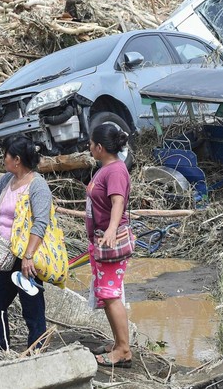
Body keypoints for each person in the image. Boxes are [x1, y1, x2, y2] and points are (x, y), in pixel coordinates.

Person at [0, 135, 51, 351]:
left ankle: (36, 353)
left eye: (5, 156)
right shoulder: (8, 180)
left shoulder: (38, 186)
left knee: (32, 308)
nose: (3, 160)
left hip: (27, 256)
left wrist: (28, 256)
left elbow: (41, 222)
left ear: (17, 159)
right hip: (7, 255)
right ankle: (0, 349)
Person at [86, 123, 133, 368]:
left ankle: (123, 350)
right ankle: (118, 342)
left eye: (91, 143)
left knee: (111, 295)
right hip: (101, 240)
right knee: (106, 294)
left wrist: (112, 230)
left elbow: (118, 202)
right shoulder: (105, 168)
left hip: (110, 241)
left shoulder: (115, 171)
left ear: (100, 147)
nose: (89, 147)